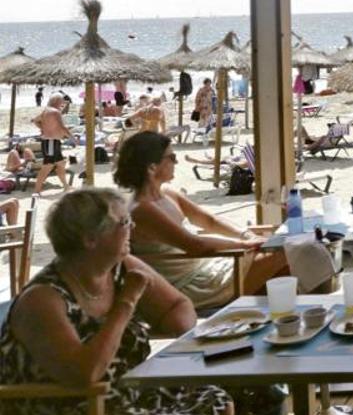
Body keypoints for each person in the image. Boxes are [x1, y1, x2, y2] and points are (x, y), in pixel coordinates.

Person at [0, 188, 234, 415]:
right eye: (123, 221)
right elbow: (84, 374)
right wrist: (126, 303)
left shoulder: (120, 268)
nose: (132, 227)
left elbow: (178, 306)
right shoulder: (43, 298)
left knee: (217, 401)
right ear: (90, 239)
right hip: (62, 411)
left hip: (125, 391)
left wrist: (179, 341)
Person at [115, 131, 286, 309]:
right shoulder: (142, 209)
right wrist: (244, 245)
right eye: (171, 157)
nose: (176, 162)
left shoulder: (167, 193)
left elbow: (209, 221)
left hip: (210, 265)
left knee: (286, 262)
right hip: (192, 284)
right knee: (284, 253)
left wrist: (246, 234)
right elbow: (195, 245)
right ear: (151, 167)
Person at [32, 95, 72, 195]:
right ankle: (37, 191)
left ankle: (66, 186)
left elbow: (35, 120)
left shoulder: (49, 111)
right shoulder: (52, 111)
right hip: (50, 142)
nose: (63, 104)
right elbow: (62, 128)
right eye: (61, 102)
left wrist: (43, 128)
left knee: (60, 164)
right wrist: (73, 139)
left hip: (54, 141)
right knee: (47, 166)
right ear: (56, 101)